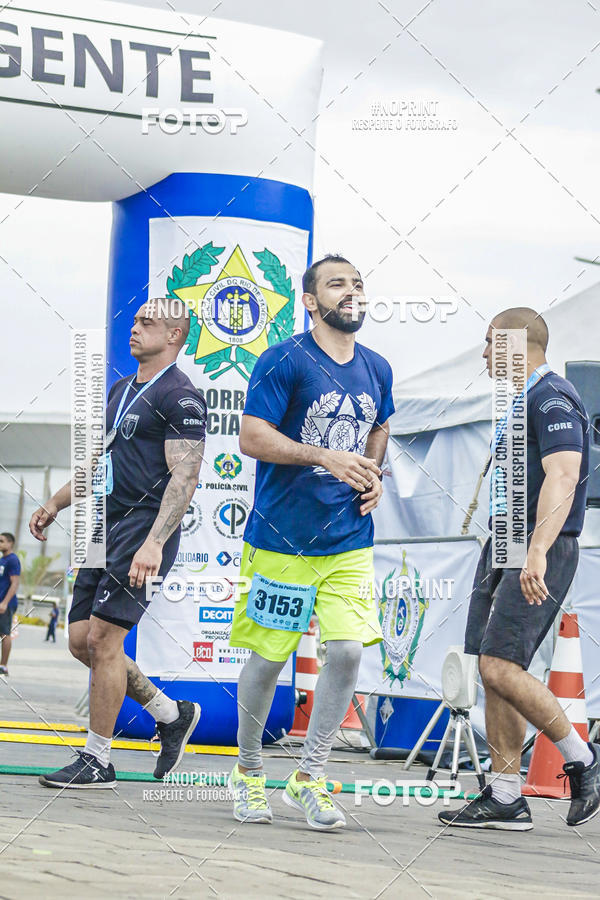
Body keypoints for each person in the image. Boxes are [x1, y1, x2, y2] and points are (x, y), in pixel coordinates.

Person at [227, 255, 394, 830]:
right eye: (337, 283)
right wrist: (322, 454)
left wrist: (371, 474)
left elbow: (379, 426)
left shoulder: (377, 367)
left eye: (358, 282)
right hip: (282, 539)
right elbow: (251, 436)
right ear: (311, 299)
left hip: (349, 539)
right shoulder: (284, 360)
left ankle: (309, 776)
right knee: (270, 658)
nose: (352, 291)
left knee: (348, 651)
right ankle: (248, 773)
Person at [30, 298, 206, 789]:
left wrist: (154, 543)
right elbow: (98, 463)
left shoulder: (181, 396)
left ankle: (97, 760)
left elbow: (185, 478)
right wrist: (57, 503)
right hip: (103, 527)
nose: (134, 328)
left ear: (174, 335)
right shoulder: (121, 389)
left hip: (142, 531)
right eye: (134, 320)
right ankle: (170, 714)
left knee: (106, 640)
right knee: (80, 641)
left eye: (146, 322)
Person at [440, 307, 599, 831]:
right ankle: (506, 795)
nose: (484, 354)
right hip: (505, 543)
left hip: (538, 548)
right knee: (492, 667)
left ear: (514, 344)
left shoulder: (551, 394)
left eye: (490, 344)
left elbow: (564, 473)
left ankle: (583, 758)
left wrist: (535, 551)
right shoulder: (518, 399)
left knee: (500, 667)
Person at [0, 532, 21, 676]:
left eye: (1, 541)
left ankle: (4, 665)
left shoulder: (13, 560)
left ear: (10, 543)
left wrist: (5, 603)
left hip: (6, 603)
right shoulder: (3, 560)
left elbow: (15, 583)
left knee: (4, 633)